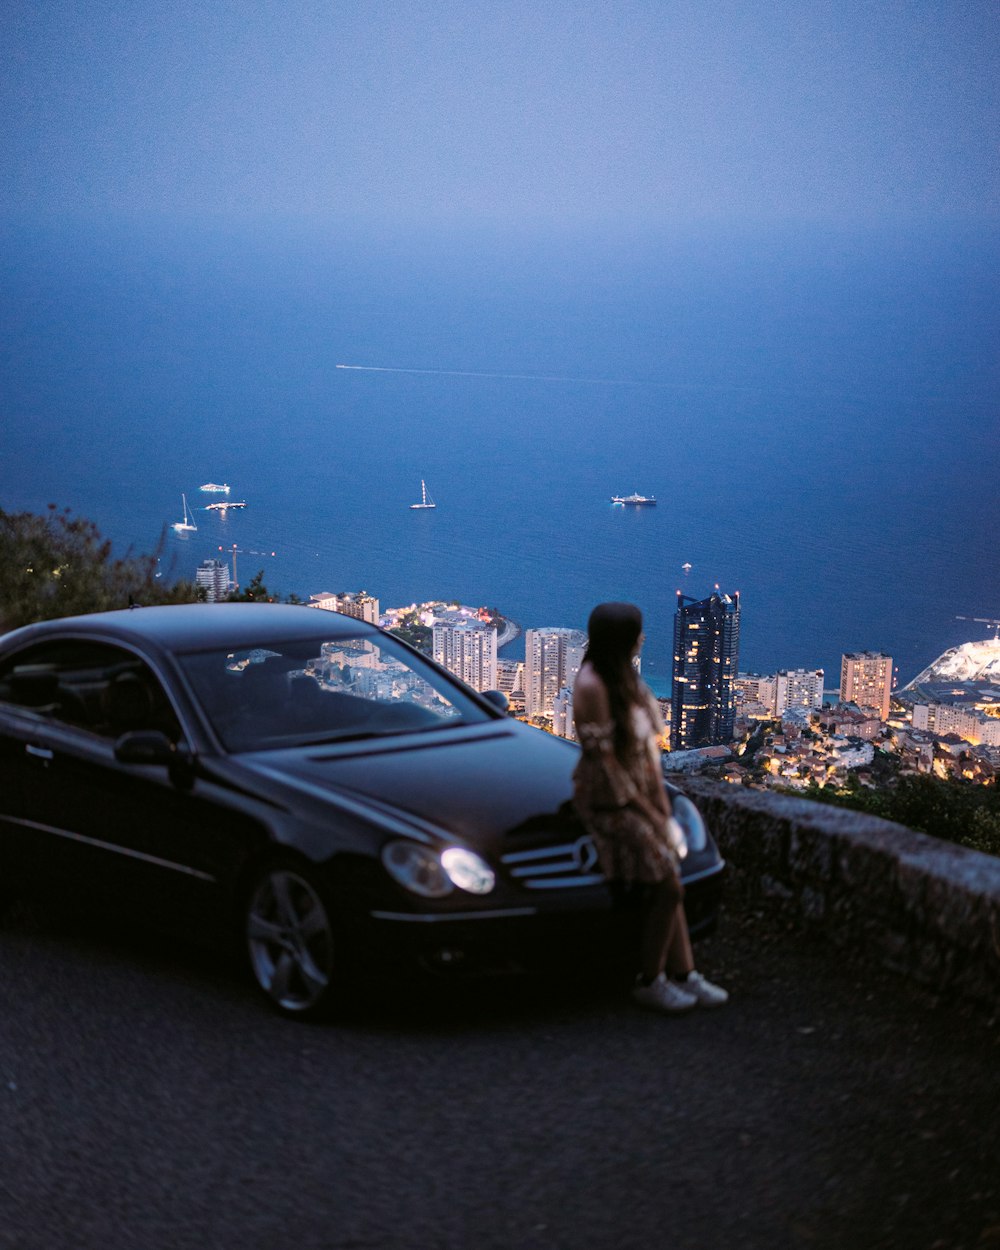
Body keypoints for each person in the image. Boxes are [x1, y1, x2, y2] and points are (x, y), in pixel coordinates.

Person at [572, 602, 727, 1014]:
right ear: (621, 639)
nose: (643, 638)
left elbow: (647, 757)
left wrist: (663, 806)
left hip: (640, 791)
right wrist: (652, 814)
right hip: (608, 800)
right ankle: (650, 979)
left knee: (671, 877)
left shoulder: (626, 679)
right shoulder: (591, 685)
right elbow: (607, 767)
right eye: (637, 633)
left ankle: (684, 974)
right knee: (668, 884)